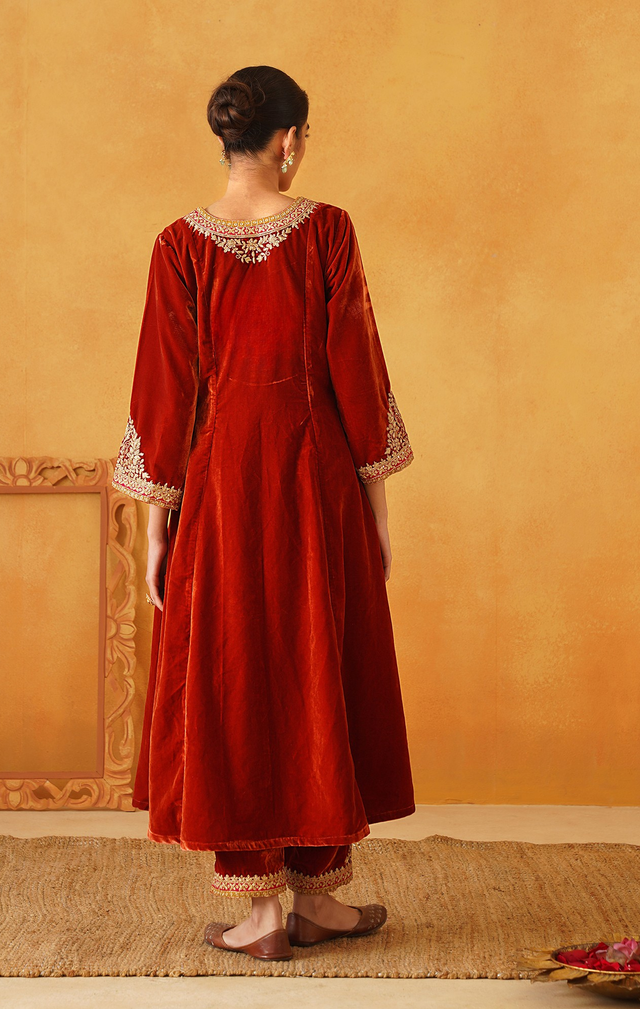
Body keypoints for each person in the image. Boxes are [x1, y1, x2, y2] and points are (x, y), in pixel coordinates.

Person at [112, 65, 416, 962]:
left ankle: (267, 913)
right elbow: (355, 367)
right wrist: (376, 506)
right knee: (314, 658)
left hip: (218, 487)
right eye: (303, 136)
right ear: (288, 140)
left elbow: (163, 388)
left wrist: (157, 526)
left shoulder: (178, 244)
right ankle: (314, 897)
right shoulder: (328, 230)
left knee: (234, 667)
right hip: (314, 475)